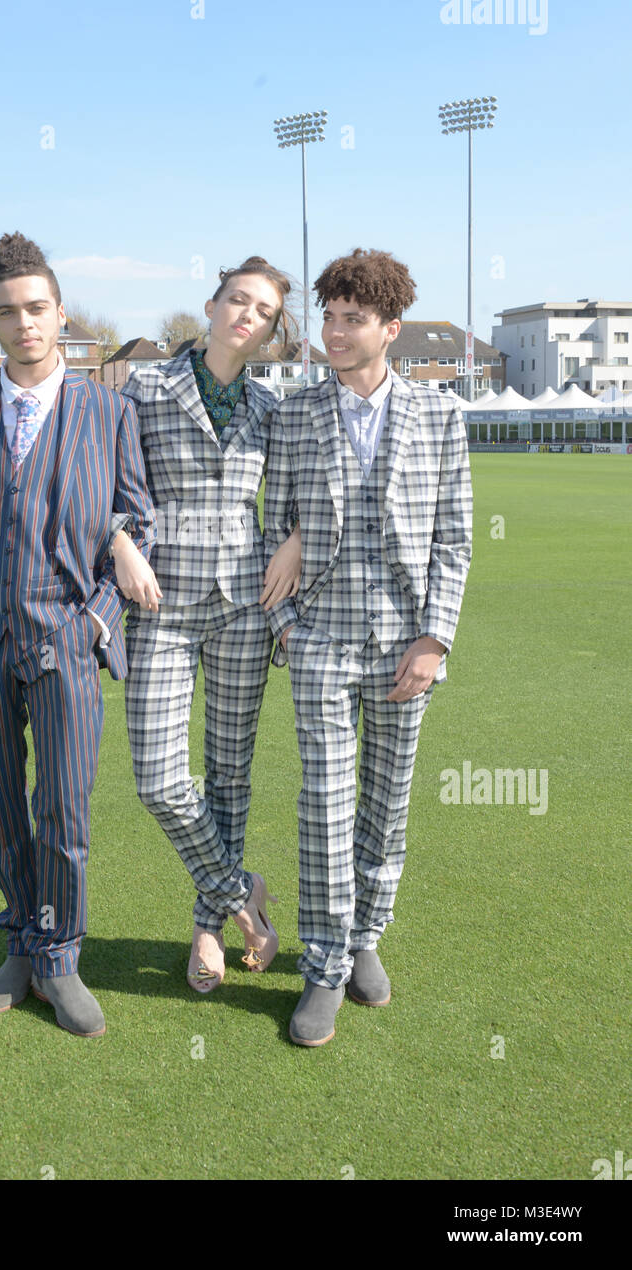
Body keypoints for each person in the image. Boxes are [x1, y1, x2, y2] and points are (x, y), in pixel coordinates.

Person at [0, 232, 154, 1038]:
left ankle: (59, 958)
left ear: (61, 314)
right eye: (7, 312)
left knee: (62, 807)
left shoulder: (107, 410)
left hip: (65, 634)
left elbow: (137, 523)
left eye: (37, 309)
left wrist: (97, 618)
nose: (24, 324)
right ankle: (20, 942)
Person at [263, 248, 472, 1046]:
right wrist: (287, 626)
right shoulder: (294, 414)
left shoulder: (442, 416)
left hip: (402, 650)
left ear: (391, 328)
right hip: (318, 641)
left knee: (385, 810)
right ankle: (321, 966)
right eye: (329, 317)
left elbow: (453, 541)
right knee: (323, 806)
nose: (335, 332)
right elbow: (269, 528)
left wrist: (434, 638)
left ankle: (362, 941)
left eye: (353, 319)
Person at [110, 257, 302, 994]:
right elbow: (107, 481)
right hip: (160, 604)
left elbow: (288, 501)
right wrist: (120, 542)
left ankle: (206, 928)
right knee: (159, 781)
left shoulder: (267, 409)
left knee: (228, 779)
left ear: (269, 329)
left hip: (243, 610)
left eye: (261, 310)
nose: (245, 315)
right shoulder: (146, 387)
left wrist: (288, 539)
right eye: (236, 300)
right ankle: (241, 899)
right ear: (212, 304)